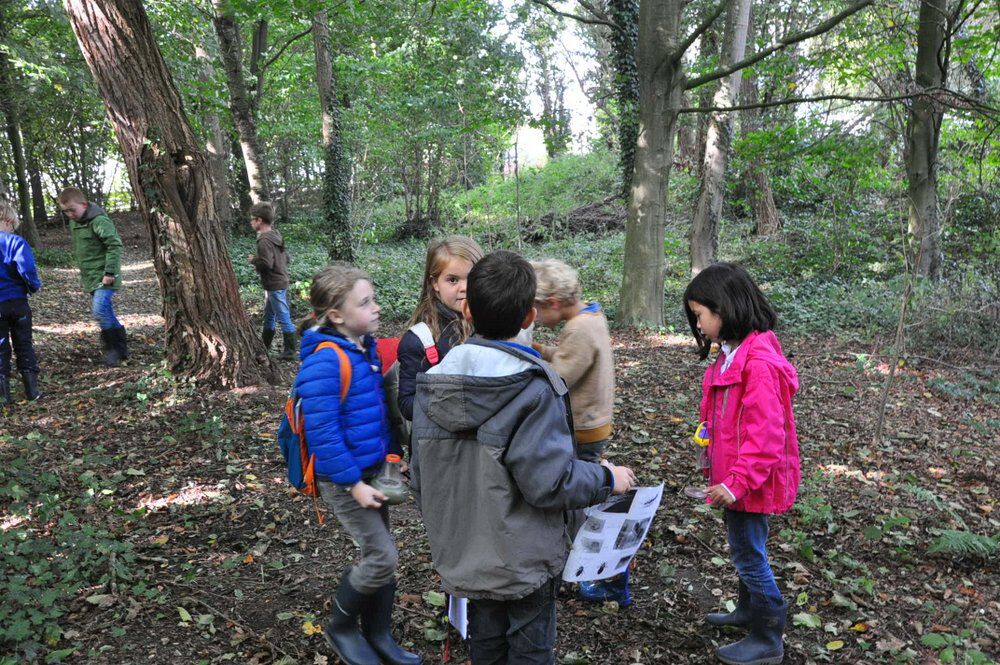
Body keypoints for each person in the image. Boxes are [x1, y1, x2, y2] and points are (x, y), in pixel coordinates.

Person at [410, 250, 636, 665]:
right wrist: (606, 478)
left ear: (469, 310)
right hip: (524, 560)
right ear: (529, 316)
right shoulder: (534, 389)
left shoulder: (432, 385)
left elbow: (421, 478)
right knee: (530, 648)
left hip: (466, 552)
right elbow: (549, 482)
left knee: (486, 639)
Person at [293, 263, 419, 665]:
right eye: (365, 303)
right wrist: (353, 484)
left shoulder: (364, 349)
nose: (376, 308)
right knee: (382, 557)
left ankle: (378, 634)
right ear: (336, 315)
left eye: (373, 299)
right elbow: (323, 433)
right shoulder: (324, 363)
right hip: (343, 479)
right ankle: (341, 628)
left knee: (381, 555)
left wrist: (391, 457)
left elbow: (377, 413)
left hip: (370, 471)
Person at [683, 262, 800, 665]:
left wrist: (736, 483)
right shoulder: (732, 354)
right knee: (747, 548)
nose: (698, 326)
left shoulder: (758, 364)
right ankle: (749, 610)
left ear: (725, 308)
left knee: (748, 554)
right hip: (736, 479)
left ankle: (768, 634)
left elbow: (766, 437)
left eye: (700, 315)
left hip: (750, 482)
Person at [530, 259, 625, 605]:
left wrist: (529, 362)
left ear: (553, 303)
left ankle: (595, 573)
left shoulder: (578, 329)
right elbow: (568, 358)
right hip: (592, 424)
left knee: (581, 501)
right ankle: (595, 570)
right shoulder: (591, 317)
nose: (535, 317)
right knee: (585, 498)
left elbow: (559, 378)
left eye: (537, 309)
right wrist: (539, 350)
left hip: (582, 428)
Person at [395, 236, 483, 424]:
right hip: (444, 439)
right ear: (435, 283)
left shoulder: (493, 324)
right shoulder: (420, 340)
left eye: (472, 278)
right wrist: (453, 400)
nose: (464, 288)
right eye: (452, 280)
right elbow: (407, 404)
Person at [58, 187, 127, 366]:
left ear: (84, 204)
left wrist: (109, 272)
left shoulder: (99, 221)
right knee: (106, 311)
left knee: (100, 311)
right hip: (90, 276)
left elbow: (114, 245)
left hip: (105, 276)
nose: (70, 214)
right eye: (65, 211)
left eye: (72, 210)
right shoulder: (75, 223)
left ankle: (112, 349)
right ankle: (121, 349)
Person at [0, 199, 42, 405]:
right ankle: (32, 391)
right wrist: (33, 286)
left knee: (0, 347)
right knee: (24, 344)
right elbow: (27, 269)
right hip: (17, 302)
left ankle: (3, 396)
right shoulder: (15, 242)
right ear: (8, 221)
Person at [247, 201, 296, 360]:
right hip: (277, 282)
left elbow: (267, 264)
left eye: (252, 219)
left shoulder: (264, 240)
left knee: (283, 316)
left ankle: (290, 352)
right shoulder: (276, 235)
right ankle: (264, 346)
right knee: (269, 315)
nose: (251, 222)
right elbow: (286, 258)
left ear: (260, 220)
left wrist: (254, 260)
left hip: (275, 284)